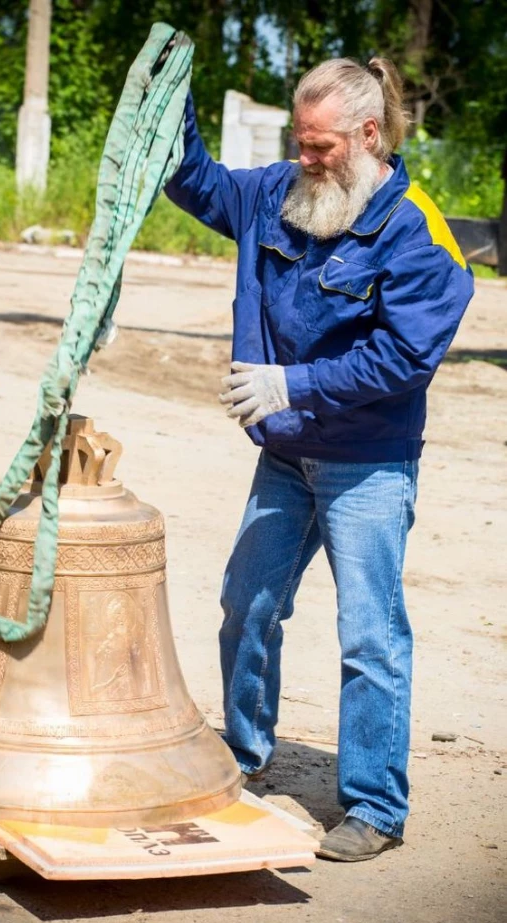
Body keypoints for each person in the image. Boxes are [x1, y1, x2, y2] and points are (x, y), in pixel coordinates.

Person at [165, 57, 474, 862]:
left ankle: (375, 805)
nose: (305, 159)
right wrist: (168, 105)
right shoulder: (275, 192)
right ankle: (241, 758)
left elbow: (406, 358)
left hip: (367, 464)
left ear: (369, 136)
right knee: (248, 604)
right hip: (286, 456)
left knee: (370, 634)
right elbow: (197, 181)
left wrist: (289, 382)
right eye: (298, 142)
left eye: (321, 146)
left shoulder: (418, 233)